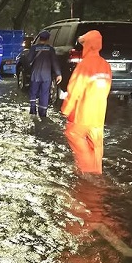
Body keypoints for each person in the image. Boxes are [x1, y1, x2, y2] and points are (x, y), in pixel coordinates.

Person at [61, 30, 112, 175]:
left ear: (88, 45)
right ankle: (97, 171)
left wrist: (66, 109)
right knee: (96, 145)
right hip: (99, 115)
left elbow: (74, 90)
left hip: (83, 114)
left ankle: (87, 171)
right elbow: (107, 89)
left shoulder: (84, 65)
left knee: (73, 134)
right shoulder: (105, 65)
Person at [27, 30, 62, 118]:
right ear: (48, 39)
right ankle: (43, 113)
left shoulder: (33, 48)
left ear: (39, 38)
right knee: (45, 93)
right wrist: (58, 74)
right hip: (46, 76)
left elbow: (28, 60)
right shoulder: (50, 49)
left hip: (35, 75)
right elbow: (55, 62)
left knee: (33, 92)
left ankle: (33, 110)